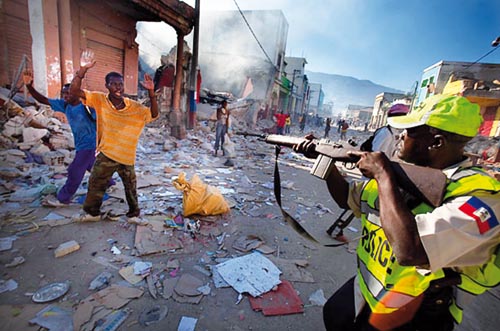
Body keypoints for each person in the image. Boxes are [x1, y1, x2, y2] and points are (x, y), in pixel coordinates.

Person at [294, 94, 500, 331]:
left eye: (410, 131)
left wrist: (383, 176)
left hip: (415, 312)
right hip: (370, 288)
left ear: (436, 143)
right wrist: (326, 158)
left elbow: (410, 251)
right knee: (334, 315)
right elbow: (349, 198)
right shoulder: (406, 174)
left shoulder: (479, 196)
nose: (401, 136)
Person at [70, 49, 159, 221]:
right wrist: (82, 70)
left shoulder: (134, 107)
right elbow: (74, 92)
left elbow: (153, 114)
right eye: (114, 84)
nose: (118, 87)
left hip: (126, 155)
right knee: (96, 184)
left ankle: (134, 214)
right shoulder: (99, 100)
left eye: (120, 84)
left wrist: (151, 93)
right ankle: (92, 213)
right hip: (107, 153)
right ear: (107, 86)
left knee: (131, 188)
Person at [22, 69, 106, 207]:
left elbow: (102, 123)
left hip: (90, 145)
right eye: (63, 93)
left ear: (76, 93)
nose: (65, 95)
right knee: (92, 166)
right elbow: (43, 99)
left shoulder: (87, 107)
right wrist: (29, 86)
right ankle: (109, 183)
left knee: (74, 171)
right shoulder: (65, 105)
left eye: (69, 93)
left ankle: (63, 198)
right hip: (81, 144)